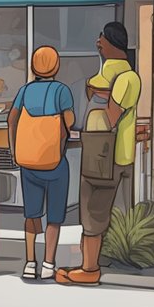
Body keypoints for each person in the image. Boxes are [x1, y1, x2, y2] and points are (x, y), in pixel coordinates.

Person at [57, 22, 140, 287]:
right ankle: (88, 263)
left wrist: (95, 96)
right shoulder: (107, 76)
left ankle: (90, 270)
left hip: (107, 154)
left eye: (101, 38)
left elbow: (111, 117)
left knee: (94, 210)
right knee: (93, 209)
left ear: (111, 43)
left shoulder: (126, 78)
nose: (97, 43)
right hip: (102, 151)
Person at [6, 46, 74, 281]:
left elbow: (11, 120)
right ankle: (48, 263)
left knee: (31, 214)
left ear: (34, 67)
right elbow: (70, 123)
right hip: (55, 162)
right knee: (54, 217)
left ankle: (29, 262)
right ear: (56, 67)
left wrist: (15, 151)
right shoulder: (61, 91)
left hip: (28, 162)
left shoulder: (24, 91)